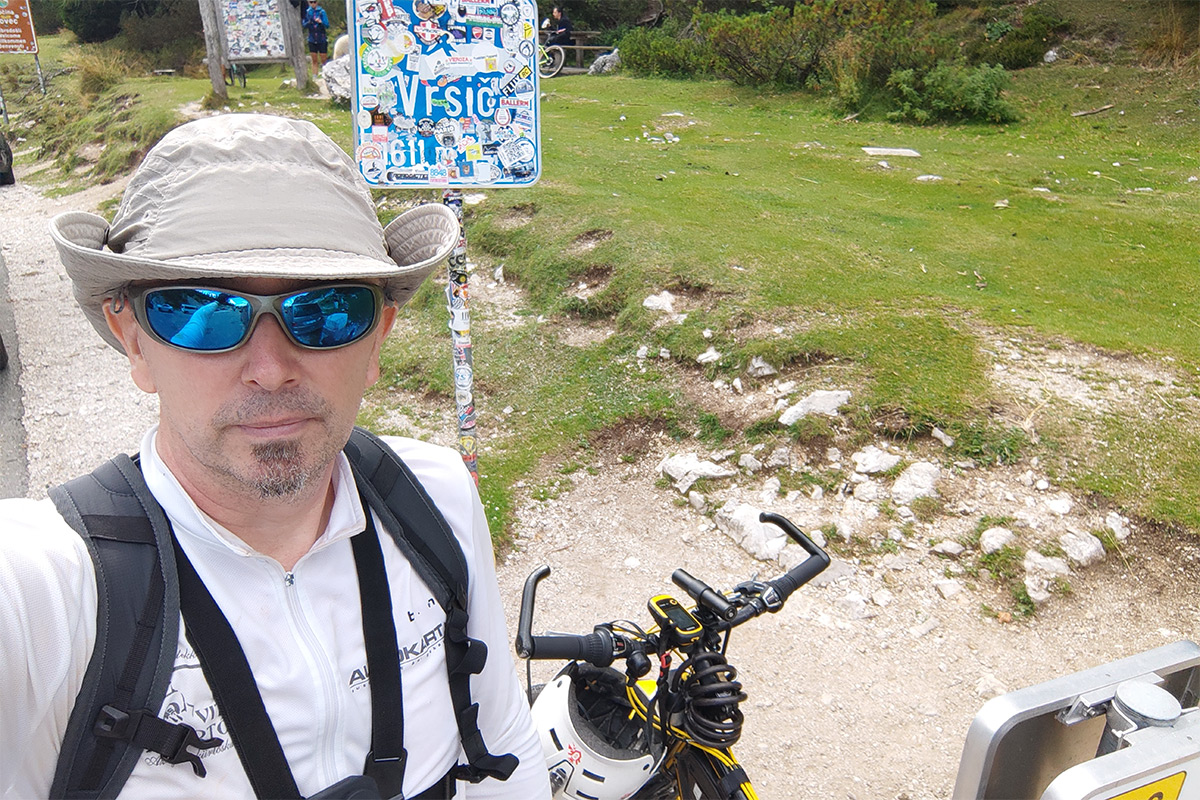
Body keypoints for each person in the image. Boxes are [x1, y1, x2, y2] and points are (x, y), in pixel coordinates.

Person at [0, 114, 550, 799]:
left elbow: (501, 739)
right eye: (200, 311)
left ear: (378, 337)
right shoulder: (43, 587)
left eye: (326, 309)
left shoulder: (435, 499)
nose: (270, 369)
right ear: (133, 338)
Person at [303, 0, 330, 74]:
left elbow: (327, 25)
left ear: (317, 2)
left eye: (314, 2)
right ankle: (315, 75)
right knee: (314, 59)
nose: (313, 4)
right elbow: (304, 24)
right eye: (311, 2)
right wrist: (309, 22)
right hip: (312, 39)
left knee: (323, 59)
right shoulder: (307, 12)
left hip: (321, 38)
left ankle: (325, 74)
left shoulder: (322, 12)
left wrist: (321, 22)